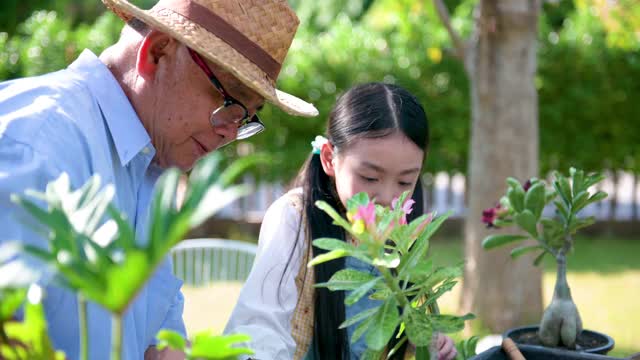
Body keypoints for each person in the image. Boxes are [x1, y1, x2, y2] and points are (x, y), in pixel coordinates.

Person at [0, 0, 317, 359]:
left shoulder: (151, 166)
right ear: (157, 52)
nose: (230, 132)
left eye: (246, 117)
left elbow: (157, 345)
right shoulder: (33, 141)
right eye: (229, 101)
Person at [224, 83, 457, 360]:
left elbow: (392, 330)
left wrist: (425, 342)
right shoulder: (295, 218)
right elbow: (260, 329)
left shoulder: (402, 233)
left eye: (405, 181)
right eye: (370, 177)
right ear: (329, 159)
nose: (386, 197)